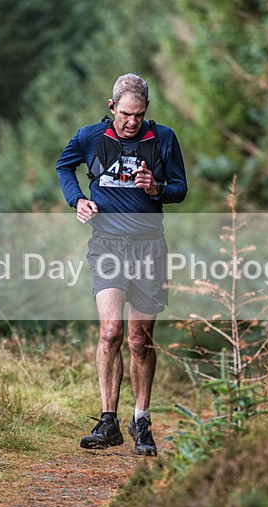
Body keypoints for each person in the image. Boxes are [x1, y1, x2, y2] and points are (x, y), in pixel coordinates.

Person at [56, 73, 187, 456]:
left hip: (149, 247)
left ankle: (141, 420)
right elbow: (65, 168)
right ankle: (108, 421)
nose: (133, 122)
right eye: (126, 114)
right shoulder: (90, 137)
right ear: (111, 107)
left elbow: (180, 188)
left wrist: (156, 188)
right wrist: (77, 200)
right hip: (107, 245)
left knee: (139, 340)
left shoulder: (162, 138)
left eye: (140, 115)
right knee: (111, 331)